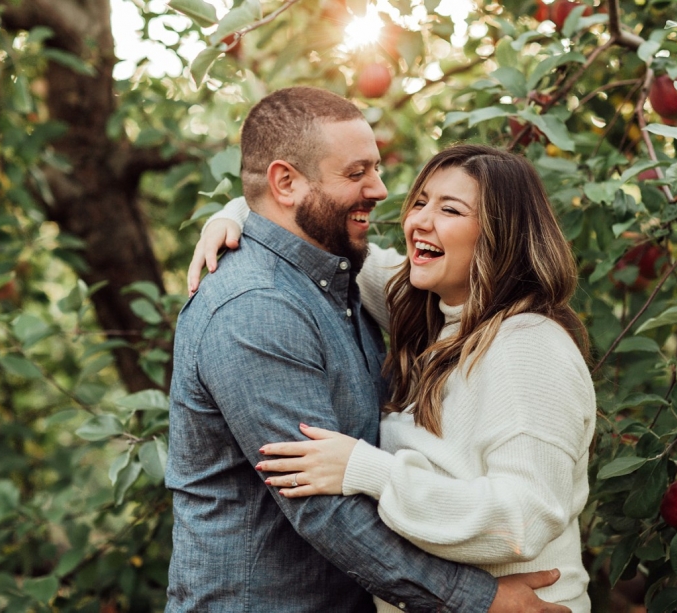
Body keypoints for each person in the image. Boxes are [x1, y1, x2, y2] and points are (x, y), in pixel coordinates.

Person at [168, 87, 570, 612]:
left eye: (377, 169)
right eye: (357, 173)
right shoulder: (261, 308)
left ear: (503, 233)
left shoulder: (356, 284)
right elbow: (324, 508)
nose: (382, 191)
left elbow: (526, 516)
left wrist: (243, 210)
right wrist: (482, 600)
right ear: (286, 181)